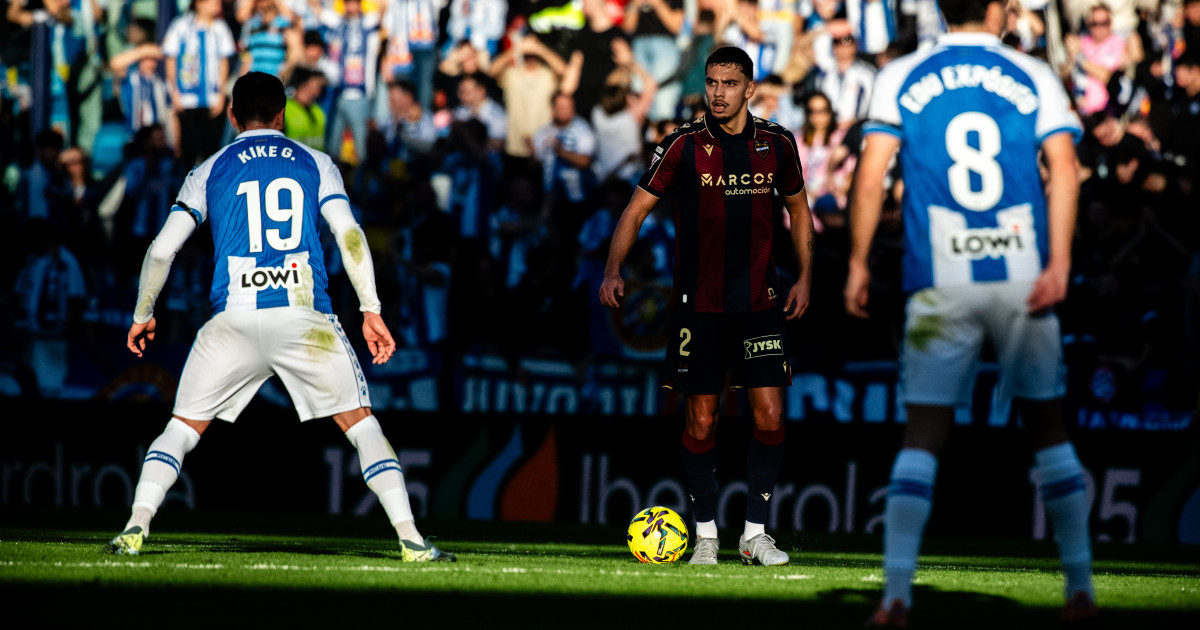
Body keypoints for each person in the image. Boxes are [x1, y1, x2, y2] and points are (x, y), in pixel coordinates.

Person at [108, 72, 453, 563]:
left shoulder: (208, 169)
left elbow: (161, 251)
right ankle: (411, 539)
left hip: (232, 318)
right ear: (282, 115)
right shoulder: (316, 163)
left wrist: (144, 313)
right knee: (361, 426)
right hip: (304, 317)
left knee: (181, 430)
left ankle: (134, 528)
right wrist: (371, 310)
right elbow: (349, 236)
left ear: (231, 116)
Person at [842, 0, 1092, 625]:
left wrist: (858, 262)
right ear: (999, 8)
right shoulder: (1033, 73)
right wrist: (1059, 263)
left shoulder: (901, 74)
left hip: (938, 278)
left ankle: (896, 595)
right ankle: (1080, 588)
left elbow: (871, 177)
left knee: (923, 434)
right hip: (1022, 276)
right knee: (1048, 431)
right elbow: (1066, 170)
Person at [599, 46, 815, 567]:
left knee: (770, 415)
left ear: (750, 88)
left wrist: (806, 277)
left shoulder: (778, 144)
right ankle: (706, 536)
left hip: (761, 302)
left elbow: (800, 212)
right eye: (712, 82)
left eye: (729, 83)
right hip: (699, 306)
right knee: (700, 422)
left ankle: (755, 534)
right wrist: (612, 269)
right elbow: (635, 212)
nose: (718, 92)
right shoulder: (682, 145)